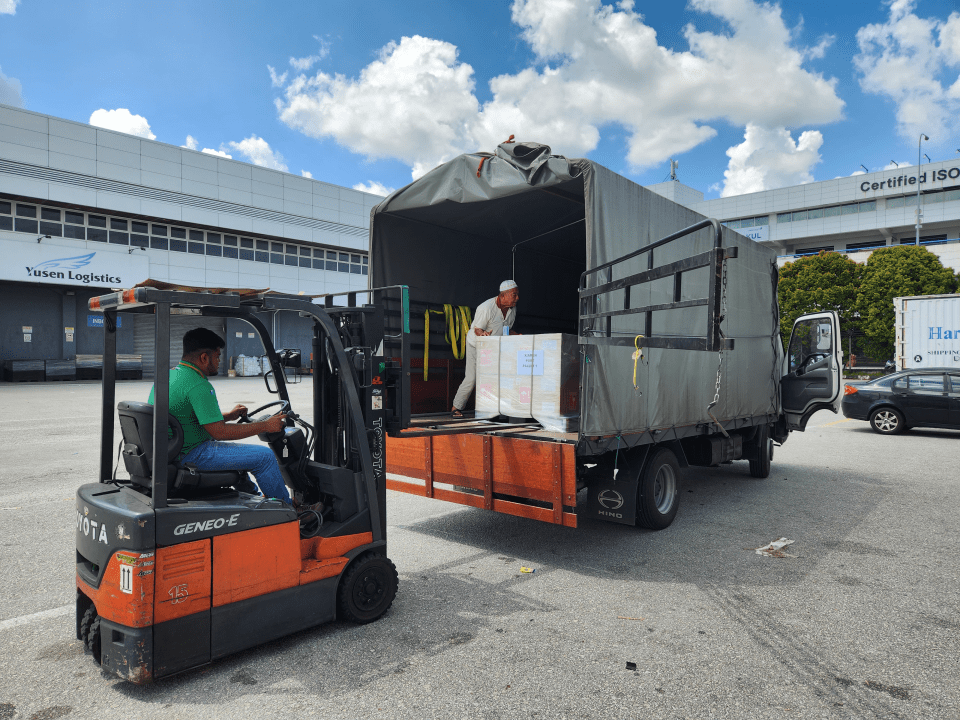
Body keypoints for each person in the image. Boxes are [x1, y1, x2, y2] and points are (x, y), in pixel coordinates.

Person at [148, 327, 294, 505]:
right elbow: (220, 432)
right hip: (191, 454)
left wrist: (229, 416)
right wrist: (266, 426)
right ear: (204, 357)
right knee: (264, 457)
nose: (219, 361)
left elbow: (189, 418)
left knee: (244, 456)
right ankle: (287, 509)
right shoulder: (198, 384)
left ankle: (255, 501)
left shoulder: (169, 376)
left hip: (173, 450)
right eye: (217, 356)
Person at [451, 280, 520, 417]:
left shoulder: (512, 310)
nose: (517, 298)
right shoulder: (486, 308)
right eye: (514, 295)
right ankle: (455, 408)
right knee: (472, 378)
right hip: (476, 345)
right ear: (503, 295)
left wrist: (517, 336)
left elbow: (507, 329)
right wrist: (482, 334)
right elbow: (477, 329)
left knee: (496, 377)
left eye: (517, 295)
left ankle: (494, 411)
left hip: (493, 347)